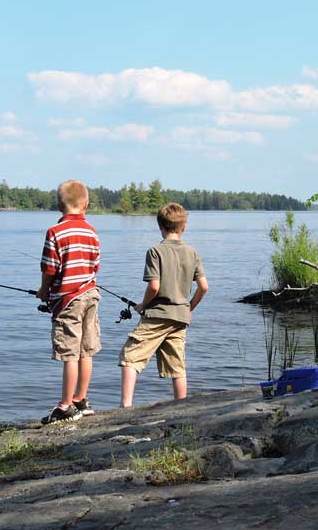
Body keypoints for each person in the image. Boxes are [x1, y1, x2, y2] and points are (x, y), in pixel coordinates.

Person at [119, 202, 208, 407]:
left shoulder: (155, 251)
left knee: (130, 356)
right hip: (180, 317)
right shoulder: (192, 253)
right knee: (177, 365)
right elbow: (203, 287)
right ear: (183, 227)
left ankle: (125, 406)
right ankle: (181, 406)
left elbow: (154, 286)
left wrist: (142, 305)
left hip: (157, 315)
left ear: (160, 226)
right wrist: (189, 308)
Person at [36, 180, 101, 424]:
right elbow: (95, 266)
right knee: (87, 350)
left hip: (67, 300)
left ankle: (65, 406)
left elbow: (50, 268)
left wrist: (44, 291)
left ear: (58, 205)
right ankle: (81, 400)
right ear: (86, 204)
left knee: (70, 353)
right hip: (91, 295)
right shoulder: (92, 231)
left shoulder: (55, 232)